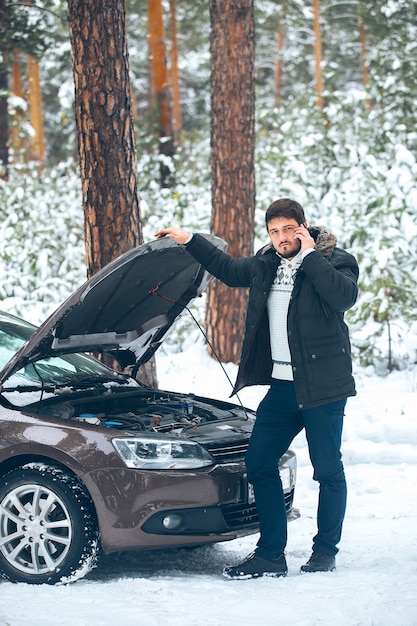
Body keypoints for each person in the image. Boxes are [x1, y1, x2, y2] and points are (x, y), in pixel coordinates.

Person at [155, 197, 359, 580]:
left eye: (288, 229)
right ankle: (270, 555)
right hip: (282, 389)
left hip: (323, 389)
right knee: (259, 463)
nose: (281, 238)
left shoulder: (335, 261)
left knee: (328, 471)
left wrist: (311, 257)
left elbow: (344, 297)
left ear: (303, 227)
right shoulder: (266, 263)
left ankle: (325, 551)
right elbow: (230, 270)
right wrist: (189, 239)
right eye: (273, 231)